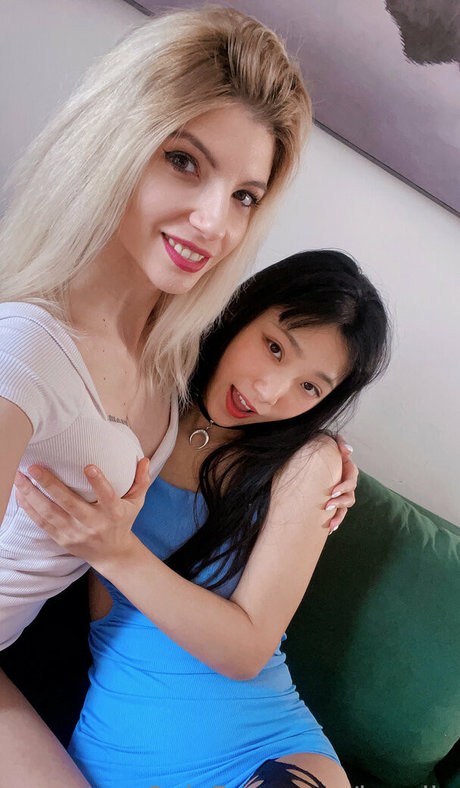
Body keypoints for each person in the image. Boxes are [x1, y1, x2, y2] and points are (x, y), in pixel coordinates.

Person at [0, 6, 325, 786]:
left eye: (244, 195)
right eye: (184, 160)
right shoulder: (26, 349)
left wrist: (319, 449)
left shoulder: (171, 350)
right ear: (116, 140)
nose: (214, 222)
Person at [16, 250, 390, 788]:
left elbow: (246, 652)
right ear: (241, 310)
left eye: (310, 387)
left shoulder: (307, 463)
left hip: (261, 748)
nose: (270, 393)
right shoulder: (140, 392)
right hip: (112, 752)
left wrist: (116, 554)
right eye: (274, 347)